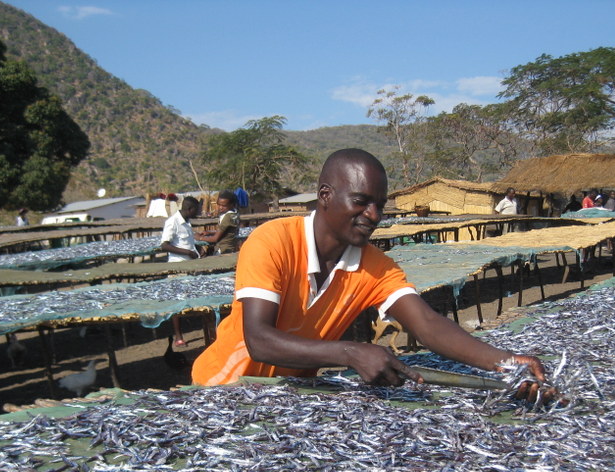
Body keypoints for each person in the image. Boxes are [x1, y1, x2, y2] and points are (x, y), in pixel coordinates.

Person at [192, 149, 547, 399]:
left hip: (289, 396)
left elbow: (426, 323)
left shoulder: (374, 264)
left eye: (380, 204)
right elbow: (259, 340)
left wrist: (504, 362)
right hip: (223, 389)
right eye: (361, 201)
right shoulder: (273, 241)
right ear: (325, 196)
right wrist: (351, 353)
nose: (374, 215)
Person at [160, 196, 201, 346]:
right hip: (178, 267)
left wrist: (196, 250)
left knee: (191, 298)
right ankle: (178, 336)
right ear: (190, 209)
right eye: (196, 209)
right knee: (177, 302)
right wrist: (187, 252)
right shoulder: (173, 222)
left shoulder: (188, 223)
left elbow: (187, 243)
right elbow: (164, 245)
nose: (198, 212)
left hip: (190, 268)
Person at [196, 190, 239, 255]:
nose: (220, 207)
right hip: (231, 248)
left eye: (224, 206)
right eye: (219, 205)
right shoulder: (234, 214)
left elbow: (215, 239)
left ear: (232, 205)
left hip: (223, 250)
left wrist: (199, 238)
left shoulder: (228, 217)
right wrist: (209, 232)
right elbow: (225, 231)